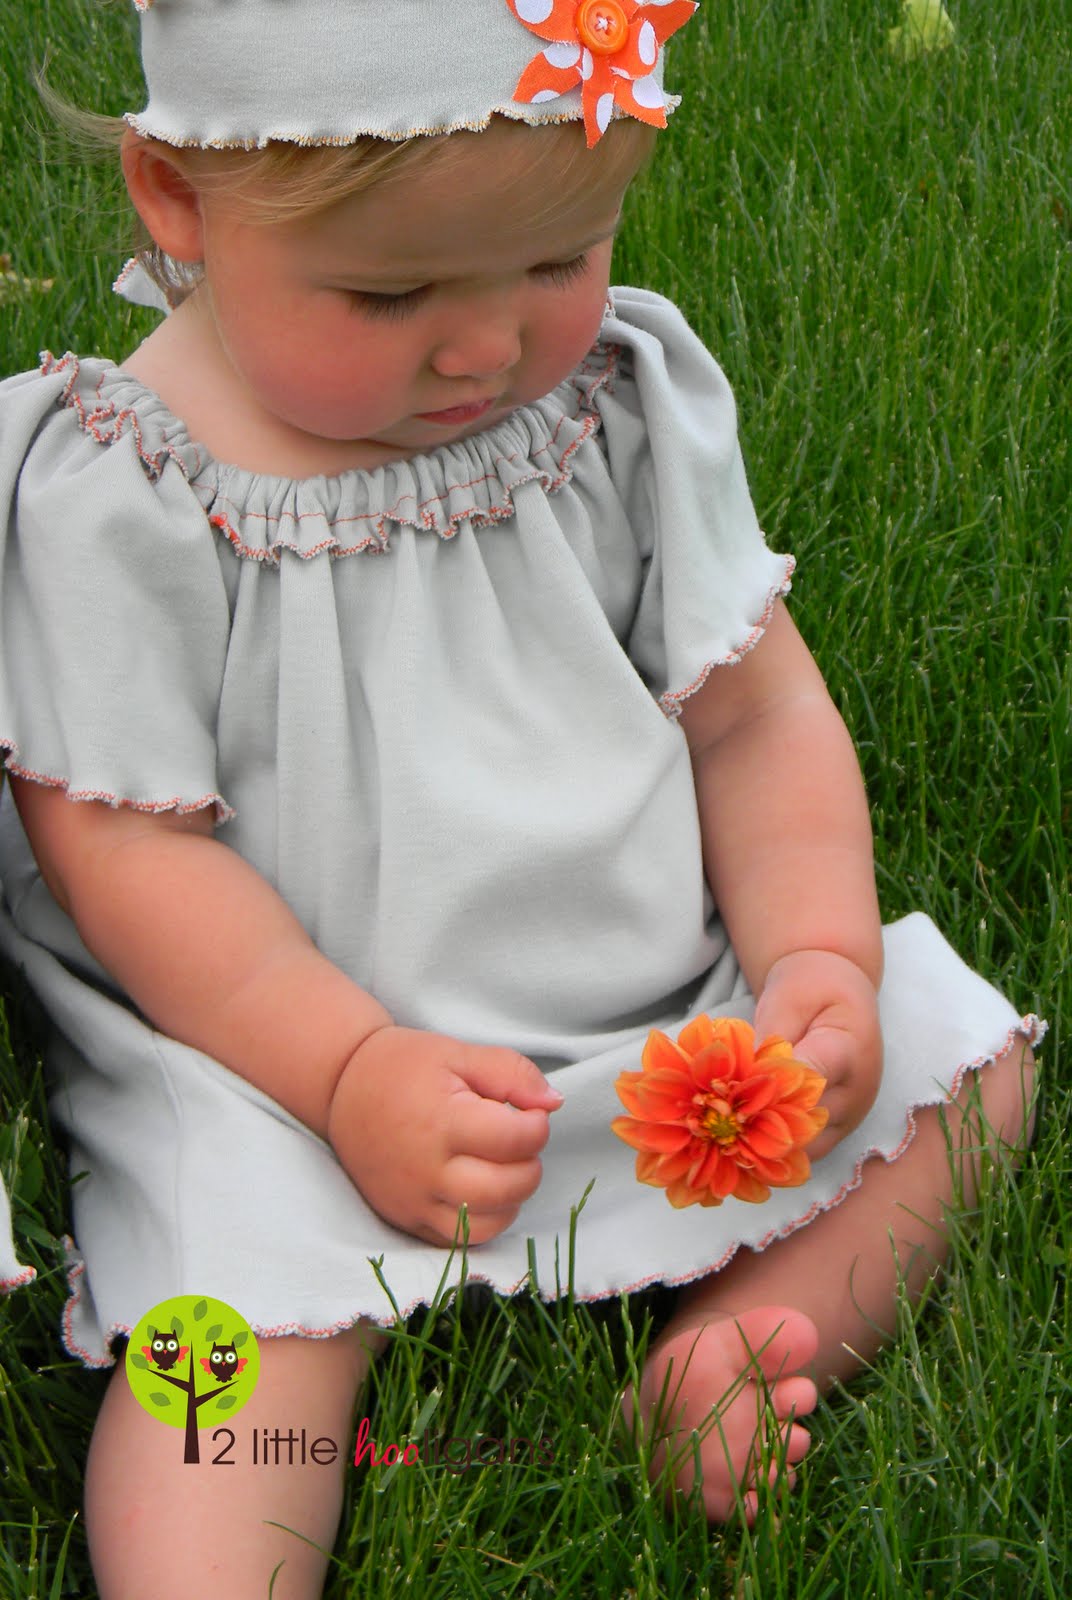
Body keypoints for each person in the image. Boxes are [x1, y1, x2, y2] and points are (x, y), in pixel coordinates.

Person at [0, 1, 1042, 1594]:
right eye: (389, 290)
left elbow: (752, 714)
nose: (487, 345)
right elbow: (128, 851)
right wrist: (346, 1070)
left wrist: (816, 954)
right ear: (176, 197)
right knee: (241, 1328)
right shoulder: (128, 490)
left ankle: (722, 1362)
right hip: (275, 1051)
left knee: (959, 1075)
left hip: (643, 998)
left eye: (559, 262)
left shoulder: (616, 400)